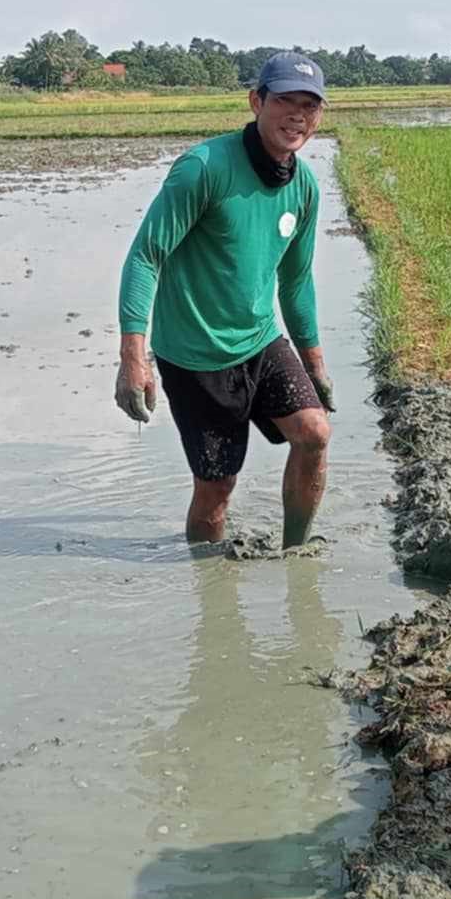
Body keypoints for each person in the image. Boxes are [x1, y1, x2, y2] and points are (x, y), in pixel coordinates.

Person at [116, 52, 335, 548]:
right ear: (256, 101)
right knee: (217, 490)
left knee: (314, 434)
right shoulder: (203, 169)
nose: (297, 115)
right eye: (284, 101)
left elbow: (296, 281)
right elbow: (145, 257)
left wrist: (315, 363)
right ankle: (212, 598)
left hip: (260, 340)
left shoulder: (304, 187)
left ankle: (296, 552)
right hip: (195, 356)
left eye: (310, 105)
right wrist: (133, 359)